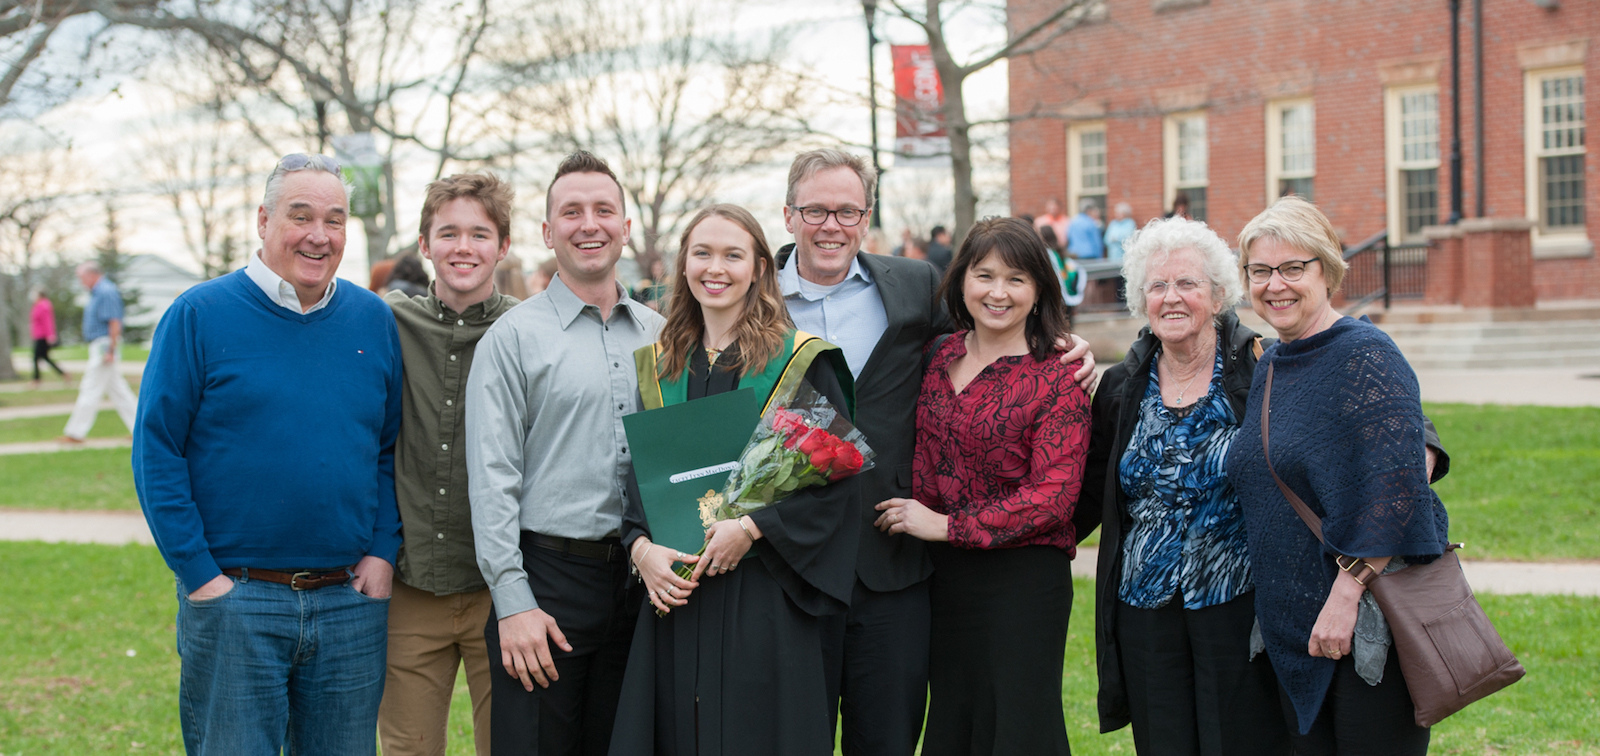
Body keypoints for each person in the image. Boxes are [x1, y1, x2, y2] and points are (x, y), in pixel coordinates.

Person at [773, 148, 1096, 756]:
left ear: (866, 217)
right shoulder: (752, 294)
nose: (831, 225)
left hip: (898, 565)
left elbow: (1003, 322)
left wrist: (1061, 341)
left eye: (847, 210)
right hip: (793, 560)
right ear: (788, 214)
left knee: (911, 734)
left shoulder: (912, 286)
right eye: (816, 210)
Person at [132, 152, 403, 755]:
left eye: (334, 220)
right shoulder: (199, 315)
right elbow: (157, 449)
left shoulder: (371, 320)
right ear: (263, 220)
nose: (318, 235)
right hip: (237, 599)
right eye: (299, 215)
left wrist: (383, 551)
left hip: (347, 604)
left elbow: (388, 451)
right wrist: (200, 577)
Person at [610, 204, 859, 755]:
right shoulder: (663, 366)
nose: (715, 268)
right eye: (702, 253)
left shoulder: (798, 361)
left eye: (732, 254)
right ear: (683, 264)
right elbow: (640, 485)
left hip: (763, 598)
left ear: (759, 268)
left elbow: (838, 484)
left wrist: (752, 528)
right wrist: (641, 549)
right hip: (677, 594)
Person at [1226, 196, 1450, 756]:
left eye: (1293, 268)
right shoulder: (1272, 363)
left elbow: (1399, 490)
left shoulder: (1365, 355)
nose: (1275, 284)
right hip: (1289, 623)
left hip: (1364, 623)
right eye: (1260, 271)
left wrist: (1345, 594)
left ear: (1326, 271)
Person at [466, 151, 663, 756]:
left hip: (643, 585)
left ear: (625, 228)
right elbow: (491, 478)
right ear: (548, 232)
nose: (589, 224)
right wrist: (513, 602)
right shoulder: (513, 338)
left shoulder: (663, 335)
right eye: (571, 212)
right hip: (546, 583)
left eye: (604, 210)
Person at [875, 216, 1090, 755]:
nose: (998, 292)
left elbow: (1054, 497)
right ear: (961, 282)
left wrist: (946, 525)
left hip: (1021, 581)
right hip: (942, 579)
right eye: (984, 275)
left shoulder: (1059, 373)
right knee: (953, 723)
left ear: (1039, 289)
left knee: (1017, 728)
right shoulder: (938, 354)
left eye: (1016, 279)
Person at [1080, 217, 1289, 756]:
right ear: (1141, 299)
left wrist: (1422, 444)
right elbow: (1084, 490)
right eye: (1157, 286)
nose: (1171, 298)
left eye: (1188, 284)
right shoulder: (1121, 386)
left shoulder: (1260, 370)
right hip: (1143, 607)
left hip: (1238, 604)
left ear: (1218, 295)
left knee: (1242, 742)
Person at [379, 173, 519, 756]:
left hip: (503, 592)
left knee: (509, 745)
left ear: (503, 247)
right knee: (409, 747)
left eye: (480, 234)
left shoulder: (525, 329)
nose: (464, 247)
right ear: (424, 243)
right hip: (413, 588)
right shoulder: (387, 322)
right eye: (449, 233)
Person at [59, 261, 137, 443]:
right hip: (101, 345)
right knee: (120, 392)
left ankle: (75, 433)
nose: (81, 282)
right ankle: (140, 429)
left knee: (90, 388)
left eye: (82, 278)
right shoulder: (97, 293)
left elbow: (114, 322)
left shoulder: (106, 291)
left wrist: (110, 349)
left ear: (92, 275)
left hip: (104, 345)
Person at [30, 289, 68, 387]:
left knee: (36, 358)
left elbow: (48, 322)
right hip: (39, 335)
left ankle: (36, 379)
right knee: (45, 358)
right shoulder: (38, 305)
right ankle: (64, 374)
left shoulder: (44, 306)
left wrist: (50, 335)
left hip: (43, 336)